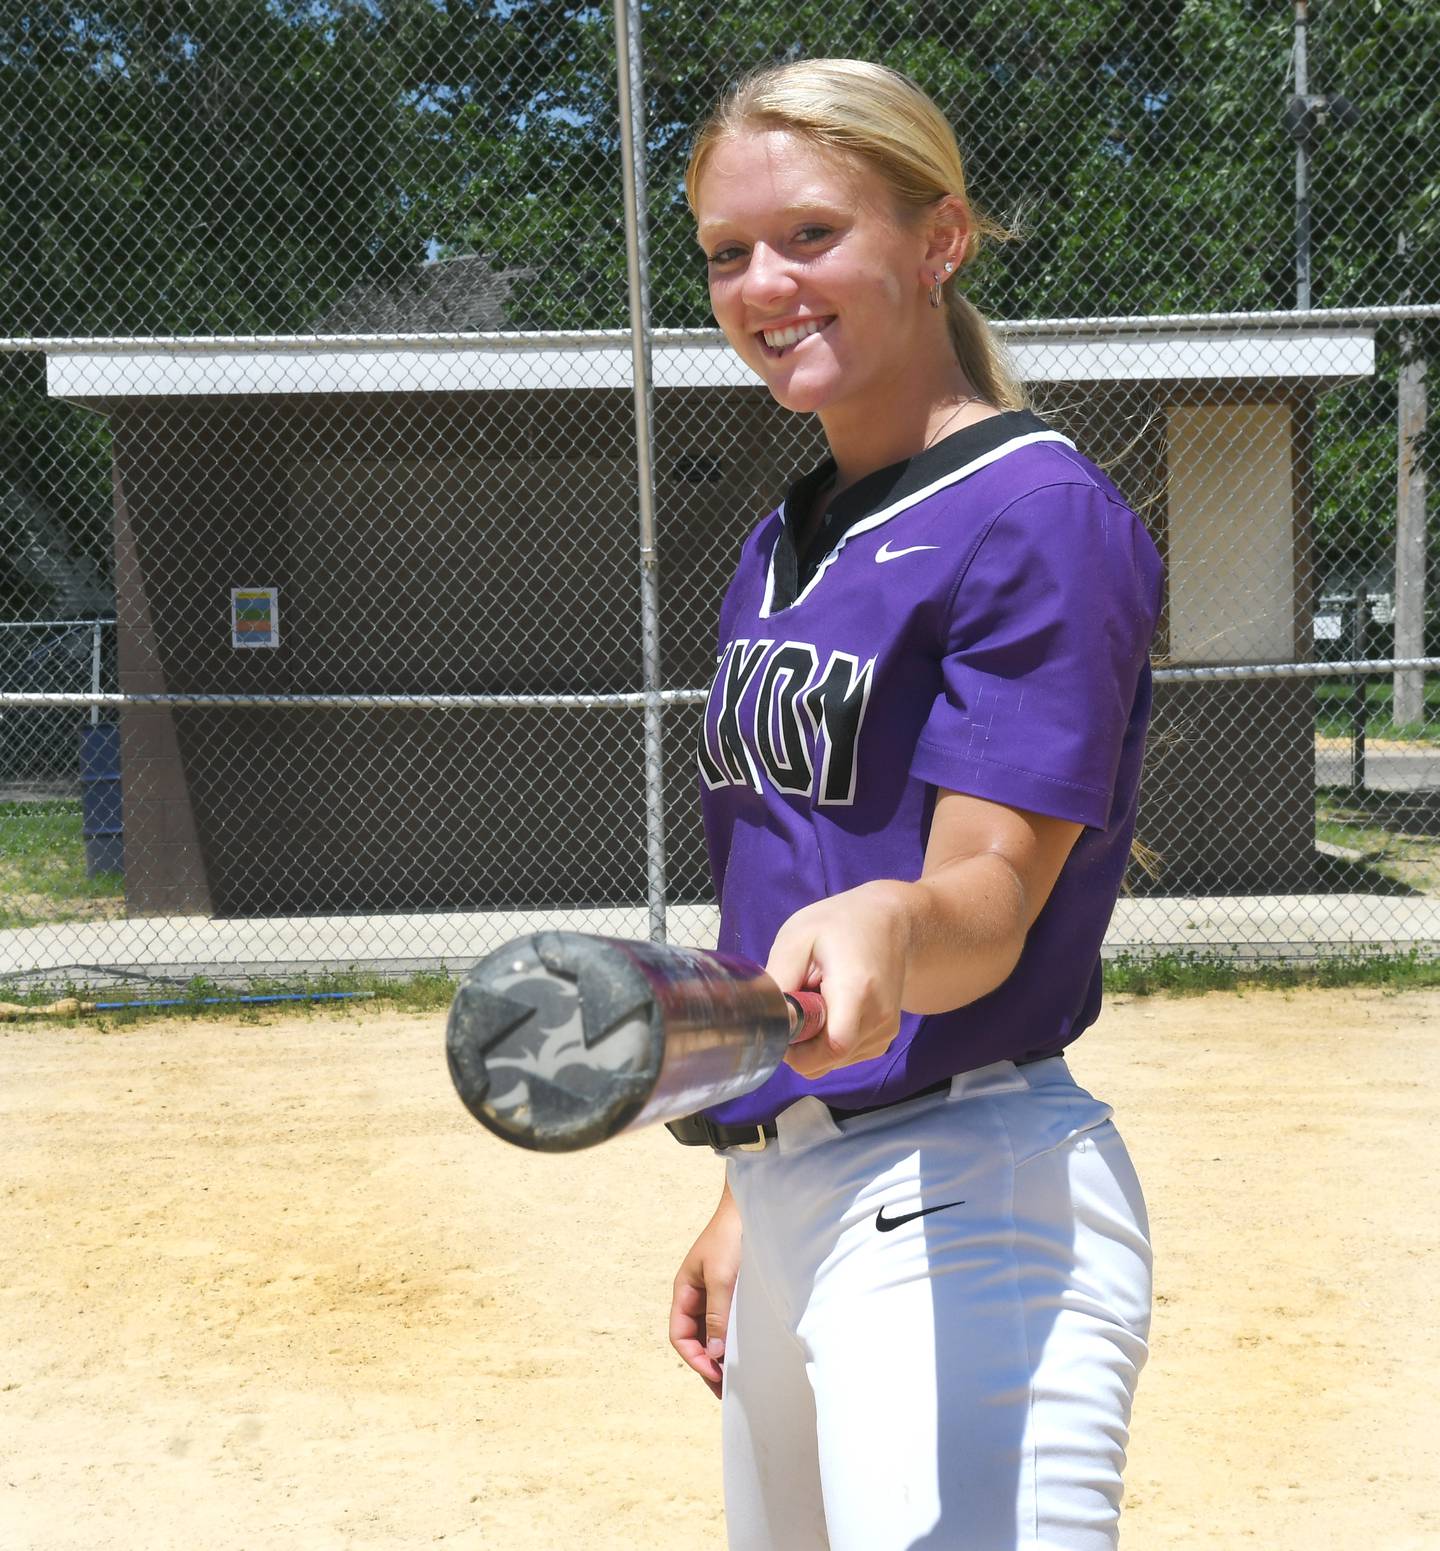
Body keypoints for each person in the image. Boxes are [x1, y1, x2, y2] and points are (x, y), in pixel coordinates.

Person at [664, 58, 1164, 1551]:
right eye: (725, 254)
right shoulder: (782, 535)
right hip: (810, 1185)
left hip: (970, 1201)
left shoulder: (1036, 515)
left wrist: (892, 918)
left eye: (811, 235)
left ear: (939, 240)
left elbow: (987, 901)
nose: (763, 283)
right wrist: (755, 1182)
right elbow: (791, 878)